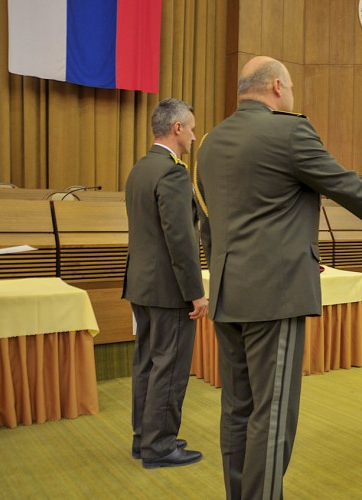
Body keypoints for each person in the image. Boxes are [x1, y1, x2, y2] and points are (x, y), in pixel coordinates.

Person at [195, 56, 362, 500]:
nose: (291, 94)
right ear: (276, 87)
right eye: (291, 87)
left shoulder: (209, 142)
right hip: (275, 293)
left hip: (227, 291)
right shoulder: (289, 132)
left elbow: (207, 221)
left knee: (238, 408)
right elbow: (345, 184)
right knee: (272, 413)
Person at [122, 98, 208, 469]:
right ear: (177, 128)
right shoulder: (172, 173)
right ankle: (160, 447)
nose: (193, 136)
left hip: (141, 285)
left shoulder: (140, 169)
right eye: (191, 129)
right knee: (169, 368)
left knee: (146, 364)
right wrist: (196, 293)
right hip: (169, 289)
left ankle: (144, 438)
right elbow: (181, 240)